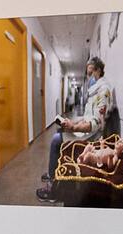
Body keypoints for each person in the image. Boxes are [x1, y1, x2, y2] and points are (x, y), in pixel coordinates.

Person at [37, 56, 116, 200]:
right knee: (61, 130)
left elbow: (95, 123)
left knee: (56, 139)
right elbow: (87, 116)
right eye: (87, 73)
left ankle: (53, 189)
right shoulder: (94, 90)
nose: (89, 76)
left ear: (99, 70)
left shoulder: (103, 91)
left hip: (94, 136)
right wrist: (72, 122)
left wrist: (74, 127)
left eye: (91, 72)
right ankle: (53, 172)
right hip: (88, 131)